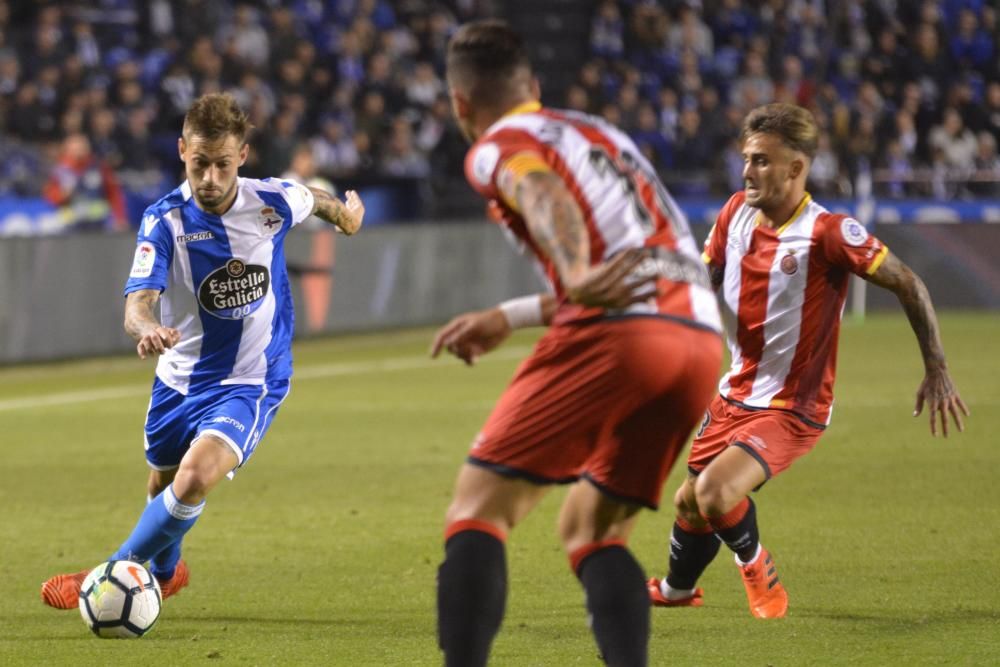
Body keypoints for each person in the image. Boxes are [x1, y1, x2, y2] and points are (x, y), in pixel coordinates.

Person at [431, 21, 722, 667]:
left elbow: (541, 191)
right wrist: (511, 314)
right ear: (533, 86)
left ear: (460, 103)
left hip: (622, 334)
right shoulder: (601, 133)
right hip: (699, 339)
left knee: (478, 509)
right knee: (591, 526)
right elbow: (634, 260)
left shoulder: (497, 144)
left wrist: (576, 270)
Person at [40, 92, 365, 609]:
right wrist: (147, 328)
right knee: (162, 484)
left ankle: (107, 574)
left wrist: (348, 218)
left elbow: (316, 200)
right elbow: (137, 304)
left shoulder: (272, 201)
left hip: (251, 377)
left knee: (193, 480)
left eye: (222, 165)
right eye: (199, 164)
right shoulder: (163, 221)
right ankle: (167, 573)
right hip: (179, 377)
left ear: (242, 156)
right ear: (181, 152)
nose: (210, 178)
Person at [646, 102, 969, 619]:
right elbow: (705, 277)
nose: (748, 171)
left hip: (792, 407)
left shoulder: (828, 233)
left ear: (796, 168)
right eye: (746, 159)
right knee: (690, 502)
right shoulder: (734, 212)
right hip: (734, 393)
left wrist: (937, 367)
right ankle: (677, 590)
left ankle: (756, 567)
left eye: (761, 161)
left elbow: (908, 282)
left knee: (714, 493)